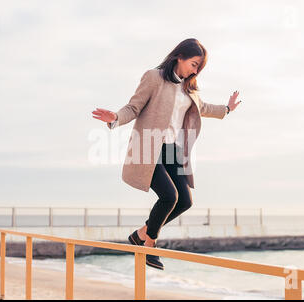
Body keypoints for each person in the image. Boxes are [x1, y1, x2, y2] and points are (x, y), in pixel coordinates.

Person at [91, 38, 242, 270]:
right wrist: (115, 118)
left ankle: (140, 233)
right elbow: (134, 107)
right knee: (169, 196)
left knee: (184, 201)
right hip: (148, 149)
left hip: (173, 151)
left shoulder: (188, 87)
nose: (195, 70)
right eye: (193, 64)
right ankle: (150, 245)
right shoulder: (154, 77)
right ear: (180, 57)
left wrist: (228, 109)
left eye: (199, 67)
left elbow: (203, 108)